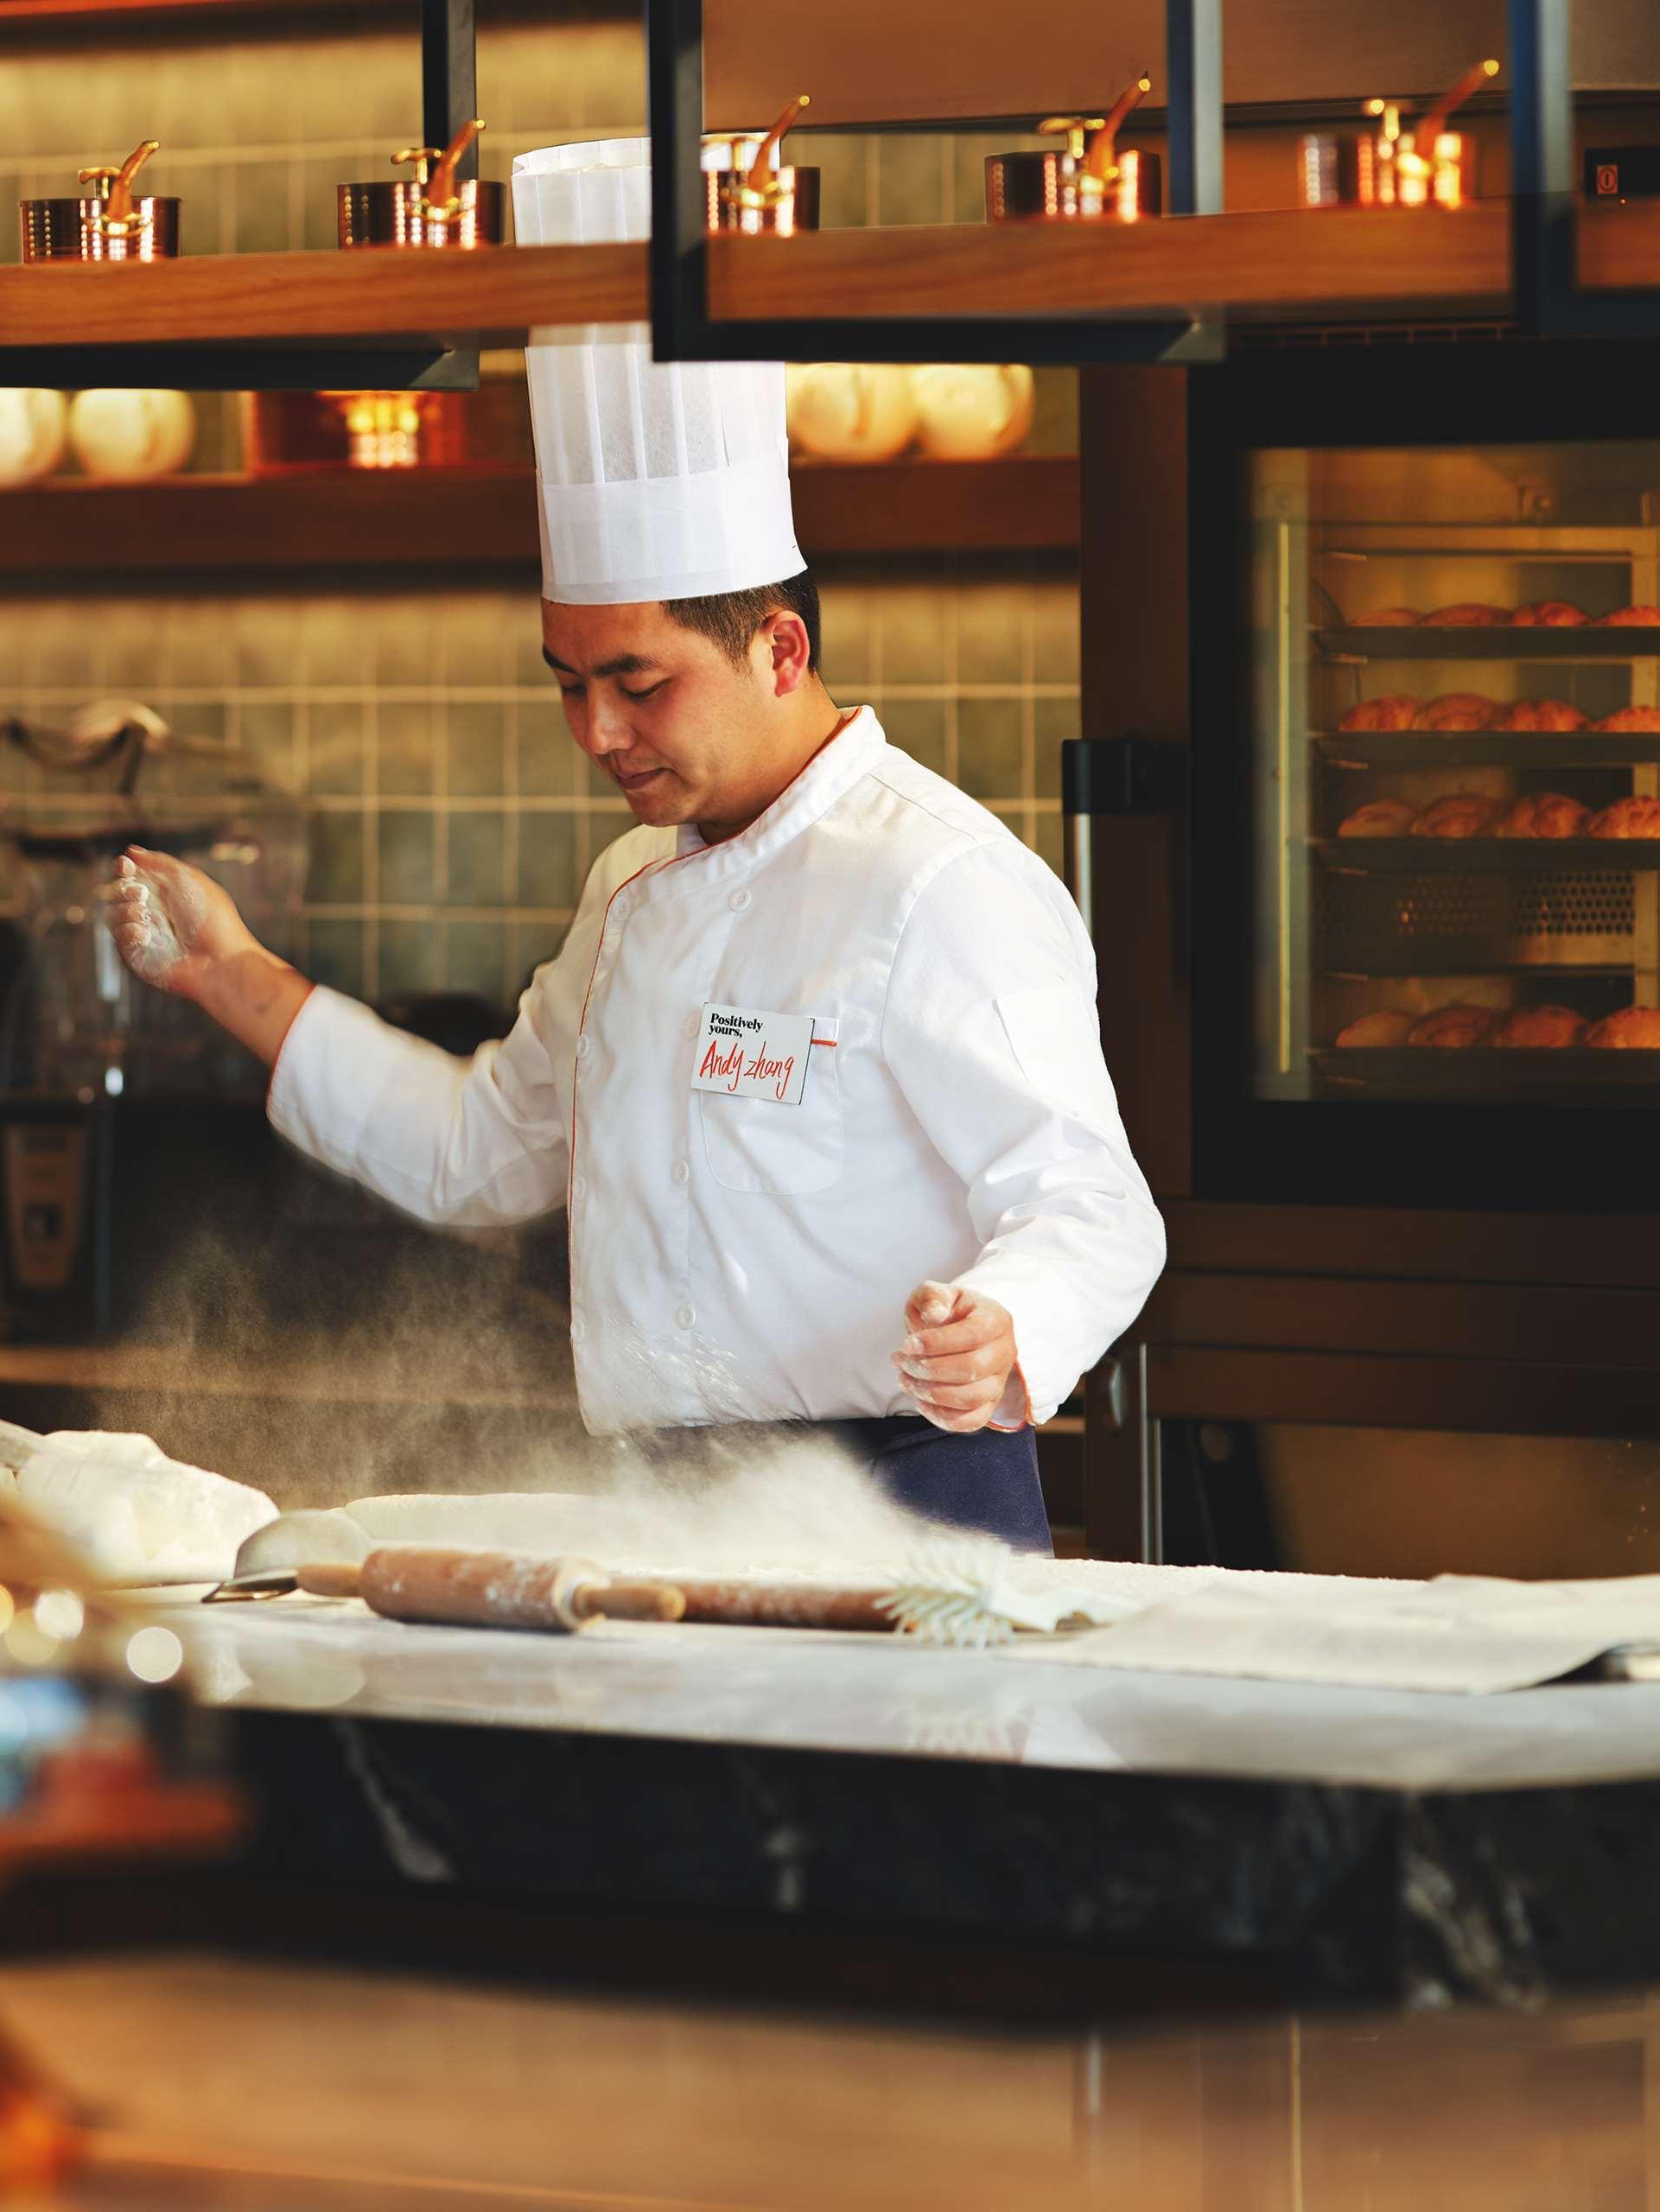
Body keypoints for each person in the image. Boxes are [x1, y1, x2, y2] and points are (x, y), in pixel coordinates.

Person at [102, 142, 1161, 1551]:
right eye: (566, 680)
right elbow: (487, 1150)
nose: (596, 732)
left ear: (780, 646)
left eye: (639, 683)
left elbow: (1092, 1203)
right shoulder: (632, 884)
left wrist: (1009, 1324)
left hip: (901, 1510)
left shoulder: (937, 883)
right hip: (661, 1513)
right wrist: (234, 978)